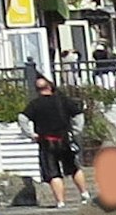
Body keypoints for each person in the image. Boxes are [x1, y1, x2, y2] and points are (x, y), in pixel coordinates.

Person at [23, 75, 87, 206]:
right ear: (50, 87)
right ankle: (84, 193)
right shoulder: (62, 100)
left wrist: (31, 134)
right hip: (64, 139)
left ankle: (60, 202)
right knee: (74, 168)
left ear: (37, 90)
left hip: (46, 142)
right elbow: (78, 114)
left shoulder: (35, 104)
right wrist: (76, 131)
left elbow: (22, 118)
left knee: (53, 173)